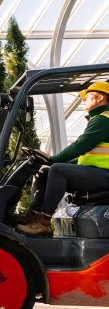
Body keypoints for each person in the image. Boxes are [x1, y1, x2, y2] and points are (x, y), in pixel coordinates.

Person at [17, 81, 109, 237]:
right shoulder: (99, 119)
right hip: (96, 173)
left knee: (57, 170)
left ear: (99, 98)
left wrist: (53, 159)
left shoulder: (104, 119)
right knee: (45, 171)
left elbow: (80, 146)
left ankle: (44, 223)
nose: (83, 100)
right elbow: (83, 157)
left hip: (104, 175)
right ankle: (33, 216)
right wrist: (52, 161)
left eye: (87, 97)